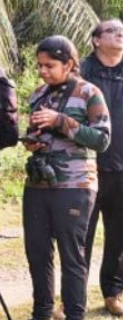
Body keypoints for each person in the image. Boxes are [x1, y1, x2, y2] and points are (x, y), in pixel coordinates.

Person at [22, 35, 111, 320]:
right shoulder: (38, 93)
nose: (43, 71)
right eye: (40, 66)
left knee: (72, 258)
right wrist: (32, 141)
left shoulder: (89, 93)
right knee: (37, 254)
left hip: (74, 185)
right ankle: (42, 313)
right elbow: (36, 130)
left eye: (49, 66)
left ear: (69, 64)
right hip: (38, 183)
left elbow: (102, 140)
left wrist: (61, 121)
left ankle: (75, 315)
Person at [82, 18, 123, 316]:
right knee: (80, 235)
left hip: (122, 168)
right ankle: (73, 295)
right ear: (96, 40)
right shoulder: (81, 72)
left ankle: (114, 292)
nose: (120, 34)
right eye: (112, 30)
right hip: (87, 167)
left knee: (119, 235)